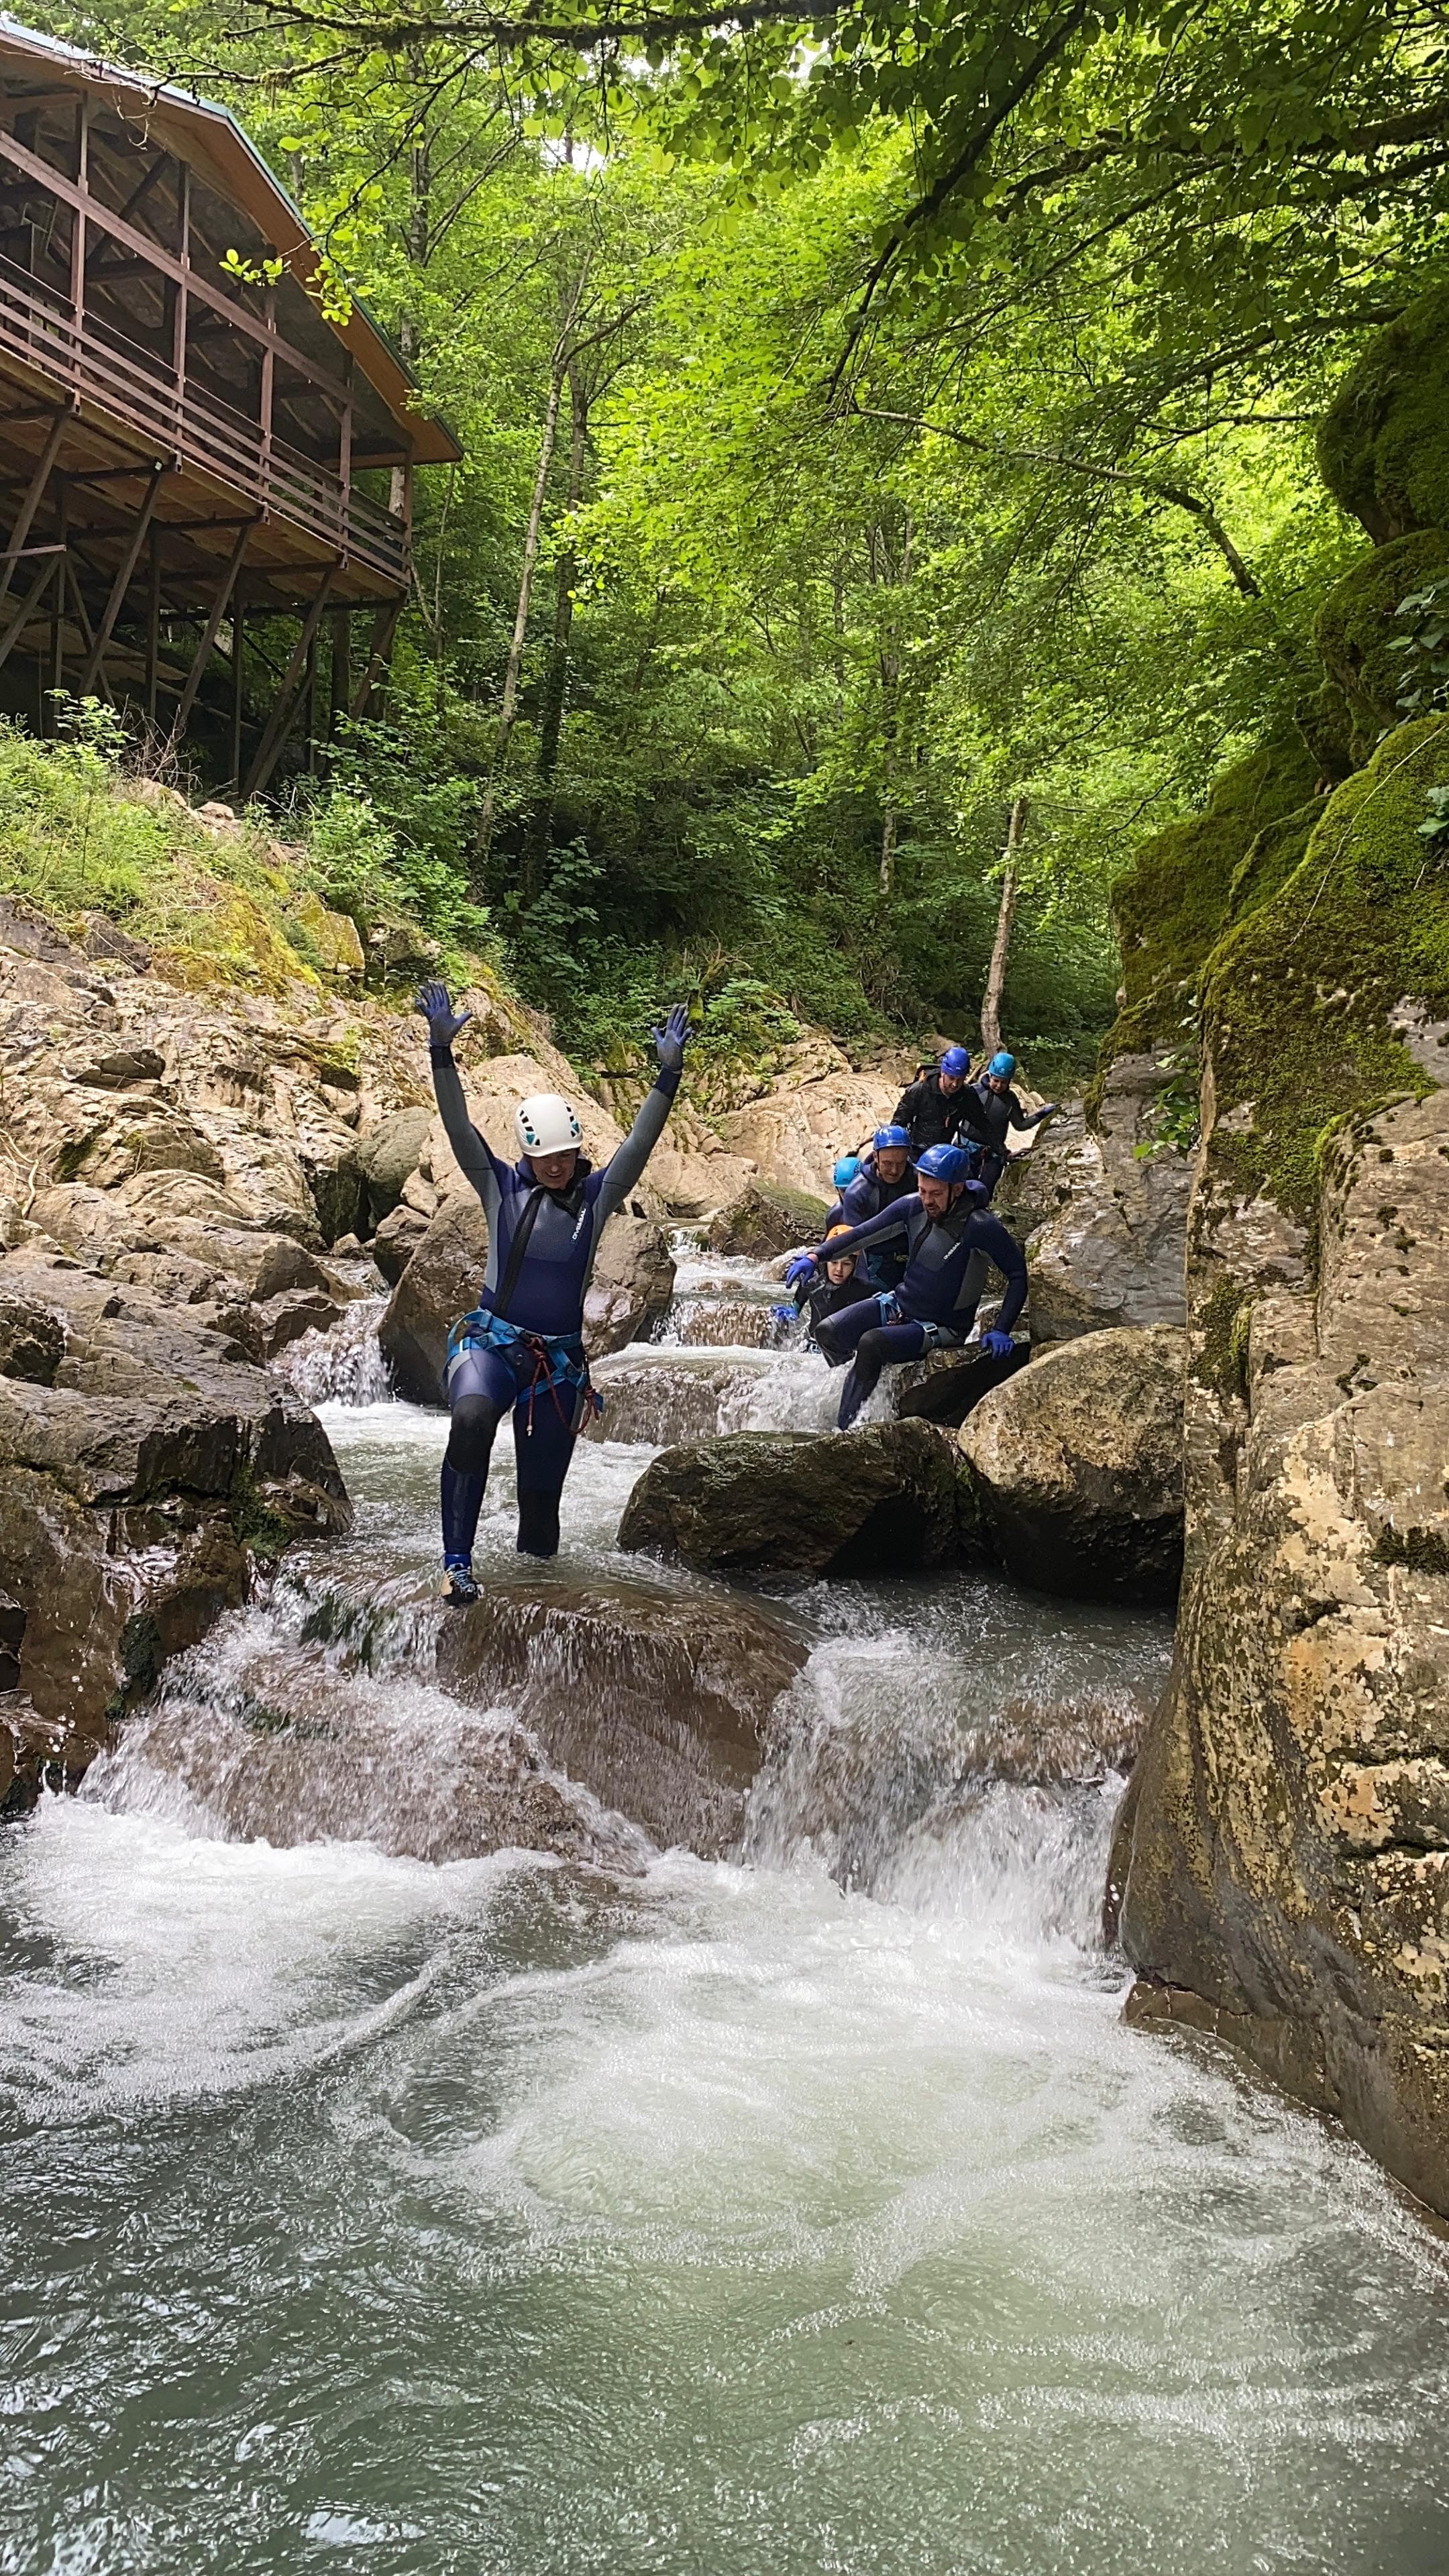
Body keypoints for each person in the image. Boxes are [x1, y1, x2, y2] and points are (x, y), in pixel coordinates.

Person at [415, 977, 689, 1601]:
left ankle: (535, 1603)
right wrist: (441, 1052)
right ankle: (456, 1564)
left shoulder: (598, 1196)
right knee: (472, 1417)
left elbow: (639, 1145)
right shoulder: (498, 1186)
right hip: (493, 1346)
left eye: (567, 1154)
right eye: (548, 1158)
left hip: (557, 1365)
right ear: (528, 1154)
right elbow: (458, 1126)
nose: (559, 1166)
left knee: (540, 1512)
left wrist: (668, 1076)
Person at [786, 1142, 1027, 1430]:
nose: (927, 1200)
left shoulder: (980, 1226)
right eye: (923, 1191)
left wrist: (1001, 1328)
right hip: (900, 1306)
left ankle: (845, 1432)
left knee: (872, 1343)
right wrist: (815, 1256)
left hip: (943, 1327)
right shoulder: (913, 1206)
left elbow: (1018, 1275)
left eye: (936, 1194)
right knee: (828, 1332)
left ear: (957, 1189)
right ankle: (854, 1385)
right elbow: (860, 1235)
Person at [955, 1051, 1061, 1197]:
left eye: (1004, 1082)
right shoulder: (974, 1092)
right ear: (990, 1076)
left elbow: (1020, 1125)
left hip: (993, 1154)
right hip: (965, 1148)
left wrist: (1042, 1113)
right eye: (996, 1080)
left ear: (1010, 1081)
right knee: (957, 1190)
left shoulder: (1010, 1100)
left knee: (984, 1194)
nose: (999, 1086)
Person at [837, 1124, 916, 1291]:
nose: (894, 1171)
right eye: (888, 1163)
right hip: (876, 1265)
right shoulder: (859, 1192)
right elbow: (853, 1244)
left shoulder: (919, 1181)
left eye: (900, 1163)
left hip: (917, 1259)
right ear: (875, 1156)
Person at [795, 1223, 874, 1344]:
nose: (839, 1270)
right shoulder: (810, 1284)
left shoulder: (866, 1291)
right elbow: (793, 1311)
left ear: (855, 1265)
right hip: (811, 1347)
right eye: (834, 1263)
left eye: (846, 1264)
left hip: (844, 1350)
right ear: (826, 1263)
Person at [893, 1044, 974, 1159]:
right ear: (943, 1073)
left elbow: (983, 1123)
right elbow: (898, 1123)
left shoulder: (966, 1094)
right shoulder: (919, 1090)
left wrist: (999, 1149)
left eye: (960, 1080)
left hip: (943, 1153)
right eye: (951, 1078)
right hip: (916, 1151)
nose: (955, 1084)